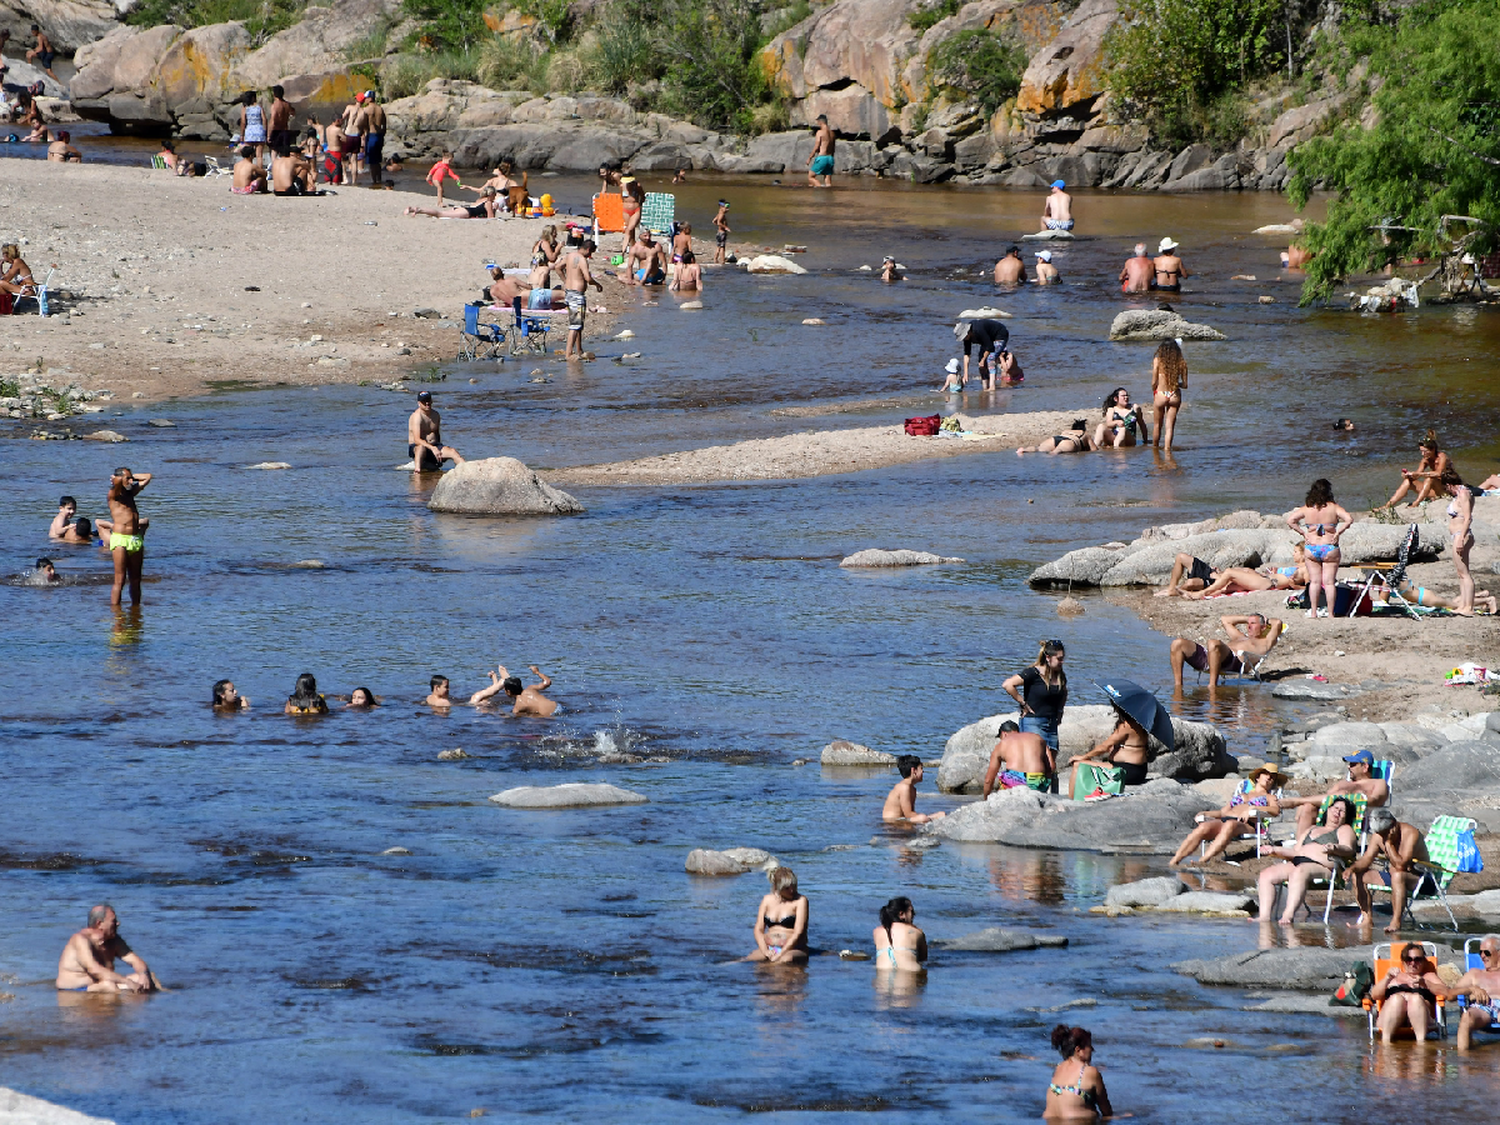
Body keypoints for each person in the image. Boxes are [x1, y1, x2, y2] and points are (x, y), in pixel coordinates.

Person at [1254, 796, 1357, 924]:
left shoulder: (1344, 829)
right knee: (1266, 875)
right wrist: (1274, 850)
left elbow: (1349, 849)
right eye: (1336, 808)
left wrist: (1335, 847)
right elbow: (1295, 852)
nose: (1337, 812)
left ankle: (1288, 915)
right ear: (1328, 810)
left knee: (1300, 871)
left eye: (1342, 811)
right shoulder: (1311, 829)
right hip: (1299, 861)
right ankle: (1264, 916)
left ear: (1346, 817)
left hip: (1326, 867)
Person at [1169, 765, 1285, 866]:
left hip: (1247, 824)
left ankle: (1203, 860)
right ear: (1258, 777)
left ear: (1274, 782)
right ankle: (1175, 860)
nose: (1269, 777)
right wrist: (1205, 813)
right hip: (1227, 819)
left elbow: (1275, 810)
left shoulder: (1269, 797)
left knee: (1230, 825)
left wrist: (1253, 808)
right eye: (1266, 773)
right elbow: (1223, 812)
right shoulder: (1242, 794)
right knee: (1203, 827)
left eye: (1272, 776)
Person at [1348, 808, 1431, 933]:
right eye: (1379, 833)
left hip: (1421, 879)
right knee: (1358, 875)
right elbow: (1366, 859)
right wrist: (1351, 869)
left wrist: (1389, 844)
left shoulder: (1411, 834)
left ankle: (1396, 922)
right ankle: (1367, 920)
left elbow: (1401, 865)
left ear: (1393, 824)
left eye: (1384, 832)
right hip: (1394, 876)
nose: (1382, 836)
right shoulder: (1378, 836)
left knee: (1398, 875)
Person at [1281, 749, 1390, 842]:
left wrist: (1350, 797)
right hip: (1331, 813)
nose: (1348, 767)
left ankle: (1297, 801)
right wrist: (1305, 803)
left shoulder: (1378, 782)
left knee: (1339, 795)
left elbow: (1377, 800)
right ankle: (1301, 847)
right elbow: (1327, 799)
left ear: (1365, 767)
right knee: (1307, 807)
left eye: (1353, 764)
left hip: (1354, 815)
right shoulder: (1343, 783)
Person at [1284, 478, 1351, 619]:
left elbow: (1290, 520)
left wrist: (1303, 533)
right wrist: (1338, 532)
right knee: (1329, 582)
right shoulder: (1333, 507)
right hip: (1329, 546)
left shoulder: (1307, 508)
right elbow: (1349, 519)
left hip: (1311, 547)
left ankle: (1314, 612)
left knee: (1314, 581)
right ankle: (1331, 614)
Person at [56, 905, 159, 993]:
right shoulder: (81, 940)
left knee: (149, 978)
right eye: (113, 921)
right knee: (109, 986)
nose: (118, 923)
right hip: (74, 991)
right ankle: (122, 1015)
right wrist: (127, 982)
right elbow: (94, 970)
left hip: (103, 985)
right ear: (99, 924)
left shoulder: (114, 940)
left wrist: (143, 974)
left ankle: (164, 1001)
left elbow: (135, 961)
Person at [1169, 612, 1285, 689]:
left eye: (1253, 624)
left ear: (1263, 627)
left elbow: (1278, 623)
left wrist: (1266, 619)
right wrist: (1247, 618)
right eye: (1248, 624)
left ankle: (1212, 686)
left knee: (1213, 643)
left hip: (1233, 662)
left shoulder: (1265, 642)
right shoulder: (1240, 637)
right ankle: (1178, 687)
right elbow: (1225, 620)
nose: (1248, 626)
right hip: (1210, 656)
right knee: (1177, 643)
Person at [1369, 944, 1447, 1043]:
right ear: (1403, 961)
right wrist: (1387, 978)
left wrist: (1425, 983)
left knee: (1415, 999)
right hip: (1390, 1019)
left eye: (1417, 959)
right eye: (1408, 959)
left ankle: (1421, 1047)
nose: (1413, 963)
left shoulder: (1429, 976)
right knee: (1396, 999)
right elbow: (1374, 995)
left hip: (1421, 1020)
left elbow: (1446, 992)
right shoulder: (1394, 977)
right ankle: (1386, 1045)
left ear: (1423, 961)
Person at [1002, 640, 1067, 754]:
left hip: (1051, 723)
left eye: (1062, 658)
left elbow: (1064, 692)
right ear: (1048, 657)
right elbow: (1008, 685)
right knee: (1036, 759)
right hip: (1034, 721)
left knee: (1050, 764)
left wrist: (1060, 711)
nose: (1062, 662)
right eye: (1059, 659)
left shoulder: (1060, 675)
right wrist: (1023, 703)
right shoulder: (1033, 673)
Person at [1068, 707, 1150, 795]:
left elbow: (1104, 747)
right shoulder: (1141, 723)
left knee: (1078, 764)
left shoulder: (1126, 726)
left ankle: (1072, 800)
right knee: (1089, 764)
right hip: (1139, 770)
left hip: (1126, 771)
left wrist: (1084, 757)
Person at [1179, 546, 1308, 600]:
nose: (1293, 554)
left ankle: (1201, 593)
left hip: (1269, 583)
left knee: (1230, 573)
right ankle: (1198, 593)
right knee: (1228, 585)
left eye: (1296, 552)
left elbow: (1310, 589)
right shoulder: (1299, 566)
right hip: (1266, 579)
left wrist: (1295, 586)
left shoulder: (1308, 569)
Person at [1044, 1025, 1112, 1120]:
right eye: (1089, 1046)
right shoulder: (1090, 1072)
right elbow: (1107, 1112)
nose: (1092, 1050)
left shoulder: (1058, 1069)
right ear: (1078, 1050)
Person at [106, 467, 150, 607]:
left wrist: (131, 478)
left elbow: (148, 477)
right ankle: (116, 612)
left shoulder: (131, 493)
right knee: (120, 579)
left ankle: (136, 610)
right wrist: (119, 479)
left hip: (135, 539)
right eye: (127, 479)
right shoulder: (114, 494)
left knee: (136, 579)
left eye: (131, 479)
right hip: (120, 539)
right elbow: (117, 485)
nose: (131, 481)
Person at [747, 866, 809, 964]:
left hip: (793, 949)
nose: (791, 890)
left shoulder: (800, 901)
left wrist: (780, 954)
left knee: (785, 960)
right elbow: (758, 929)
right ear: (777, 887)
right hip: (770, 948)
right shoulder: (767, 900)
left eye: (793, 886)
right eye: (787, 888)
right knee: (748, 960)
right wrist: (765, 951)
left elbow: (798, 932)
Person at [1375, 430, 1451, 509]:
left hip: (1445, 490)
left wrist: (1420, 474)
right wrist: (1409, 475)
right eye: (1421, 451)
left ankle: (1416, 503)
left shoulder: (1441, 456)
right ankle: (1388, 506)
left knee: (1429, 479)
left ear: (1433, 449)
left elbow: (1439, 473)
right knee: (1408, 481)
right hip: (1433, 491)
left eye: (1425, 451)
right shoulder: (1425, 460)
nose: (1423, 454)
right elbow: (1417, 474)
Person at [1438, 466, 1477, 615]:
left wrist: (1461, 539)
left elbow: (1468, 517)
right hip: (1458, 534)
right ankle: (1464, 606)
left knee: (1465, 573)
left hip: (1462, 534)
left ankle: (1469, 607)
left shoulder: (1463, 494)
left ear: (1448, 485)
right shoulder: (1459, 494)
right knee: (1461, 573)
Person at [981, 720, 1056, 796]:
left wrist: (986, 799)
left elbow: (988, 780)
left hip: (1014, 782)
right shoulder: (1038, 738)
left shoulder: (1002, 744)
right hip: (1036, 780)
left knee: (1001, 787)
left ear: (1004, 734)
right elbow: (1052, 766)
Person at [1454, 934, 1500, 1049]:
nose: (1483, 956)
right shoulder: (1475, 973)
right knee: (1466, 1017)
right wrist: (1470, 989)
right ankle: (1463, 1061)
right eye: (1481, 953)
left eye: (1487, 952)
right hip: (1483, 1008)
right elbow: (1451, 994)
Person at [563, 239, 603, 361]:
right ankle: (568, 353)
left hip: (569, 293)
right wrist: (597, 284)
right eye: (591, 253)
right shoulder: (582, 259)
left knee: (579, 323)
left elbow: (558, 267)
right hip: (577, 294)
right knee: (575, 324)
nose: (590, 256)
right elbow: (588, 278)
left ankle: (579, 350)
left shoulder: (569, 256)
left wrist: (565, 280)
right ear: (587, 249)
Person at [407, 390, 464, 471]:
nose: (427, 403)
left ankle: (466, 470)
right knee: (421, 448)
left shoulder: (436, 415)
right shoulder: (417, 417)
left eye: (428, 400)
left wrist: (438, 449)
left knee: (453, 452)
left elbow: (437, 435)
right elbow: (417, 440)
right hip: (418, 448)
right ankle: (417, 471)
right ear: (419, 403)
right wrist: (432, 448)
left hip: (434, 446)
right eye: (424, 401)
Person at [882, 755, 945, 823]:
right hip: (892, 823)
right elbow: (908, 814)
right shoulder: (904, 788)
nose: (923, 772)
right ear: (914, 770)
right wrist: (927, 818)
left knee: (941, 814)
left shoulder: (912, 789)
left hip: (901, 820)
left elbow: (911, 813)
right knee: (922, 818)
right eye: (921, 768)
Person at [1149, 338, 1186, 451]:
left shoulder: (1157, 360)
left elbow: (1154, 381)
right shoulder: (1182, 363)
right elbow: (1185, 385)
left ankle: (1155, 449)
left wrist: (1154, 390)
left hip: (1161, 394)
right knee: (1169, 427)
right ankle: (1167, 450)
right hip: (1174, 394)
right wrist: (1176, 383)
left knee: (1157, 425)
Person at [953, 318, 1009, 391]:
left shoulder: (978, 330)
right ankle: (985, 386)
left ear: (968, 332)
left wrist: (983, 359)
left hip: (1000, 334)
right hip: (988, 339)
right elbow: (967, 355)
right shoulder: (967, 339)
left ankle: (992, 386)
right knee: (980, 362)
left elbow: (989, 347)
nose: (964, 339)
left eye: (964, 337)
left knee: (990, 359)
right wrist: (966, 374)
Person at [873, 897, 925, 970]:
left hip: (882, 975)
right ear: (901, 914)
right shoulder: (916, 932)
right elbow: (923, 959)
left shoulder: (877, 932)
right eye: (912, 912)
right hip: (910, 975)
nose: (914, 915)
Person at [403, 187, 498, 219]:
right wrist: (495, 209)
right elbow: (491, 218)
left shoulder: (480, 199)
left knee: (440, 213)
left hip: (461, 208)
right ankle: (418, 209)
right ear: (491, 194)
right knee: (440, 214)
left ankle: (415, 209)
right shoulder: (488, 202)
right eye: (495, 195)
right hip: (466, 212)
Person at [1016, 420, 1094, 455]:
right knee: (1058, 451)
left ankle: (1024, 450)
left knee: (1038, 448)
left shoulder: (1066, 431)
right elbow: (1095, 450)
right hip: (1070, 441)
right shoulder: (1084, 433)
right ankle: (1053, 453)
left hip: (1057, 438)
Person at [360, 91, 386, 187]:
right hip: (379, 135)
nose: (365, 100)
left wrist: (362, 132)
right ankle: (379, 179)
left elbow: (362, 123)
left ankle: (374, 180)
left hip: (371, 135)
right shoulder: (380, 109)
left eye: (366, 98)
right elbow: (384, 123)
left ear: (370, 98)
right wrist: (383, 133)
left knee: (371, 161)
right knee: (378, 160)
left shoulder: (366, 110)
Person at [237, 90, 267, 164]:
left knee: (248, 155)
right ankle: (260, 173)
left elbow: (243, 122)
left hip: (249, 132)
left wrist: (242, 134)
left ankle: (249, 170)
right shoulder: (259, 107)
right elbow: (264, 120)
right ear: (254, 98)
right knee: (259, 155)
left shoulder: (245, 109)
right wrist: (265, 131)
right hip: (259, 131)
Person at [807, 114, 835, 187]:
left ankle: (820, 190)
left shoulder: (820, 132)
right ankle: (828, 195)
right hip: (830, 158)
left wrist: (810, 158)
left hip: (822, 158)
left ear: (820, 122)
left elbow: (816, 146)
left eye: (818, 122)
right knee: (827, 179)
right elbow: (833, 148)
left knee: (811, 177)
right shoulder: (832, 133)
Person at [619, 175, 644, 253]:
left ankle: (623, 251)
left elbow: (643, 196)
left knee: (629, 229)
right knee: (631, 231)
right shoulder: (622, 186)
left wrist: (638, 205)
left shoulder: (637, 186)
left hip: (635, 210)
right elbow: (622, 198)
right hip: (626, 210)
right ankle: (633, 248)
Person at [267, 85, 293, 153]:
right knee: (285, 151)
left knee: (274, 151)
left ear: (274, 94)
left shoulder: (275, 105)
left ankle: (275, 163)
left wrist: (269, 134)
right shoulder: (287, 104)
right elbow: (293, 112)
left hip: (276, 130)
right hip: (285, 129)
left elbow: (273, 120)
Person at [712, 199, 730, 264]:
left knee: (718, 247)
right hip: (722, 233)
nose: (728, 210)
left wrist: (719, 226)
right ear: (722, 207)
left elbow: (714, 221)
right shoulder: (722, 214)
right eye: (726, 208)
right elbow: (719, 222)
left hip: (718, 232)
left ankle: (715, 259)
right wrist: (726, 227)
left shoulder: (719, 213)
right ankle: (722, 260)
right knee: (722, 247)